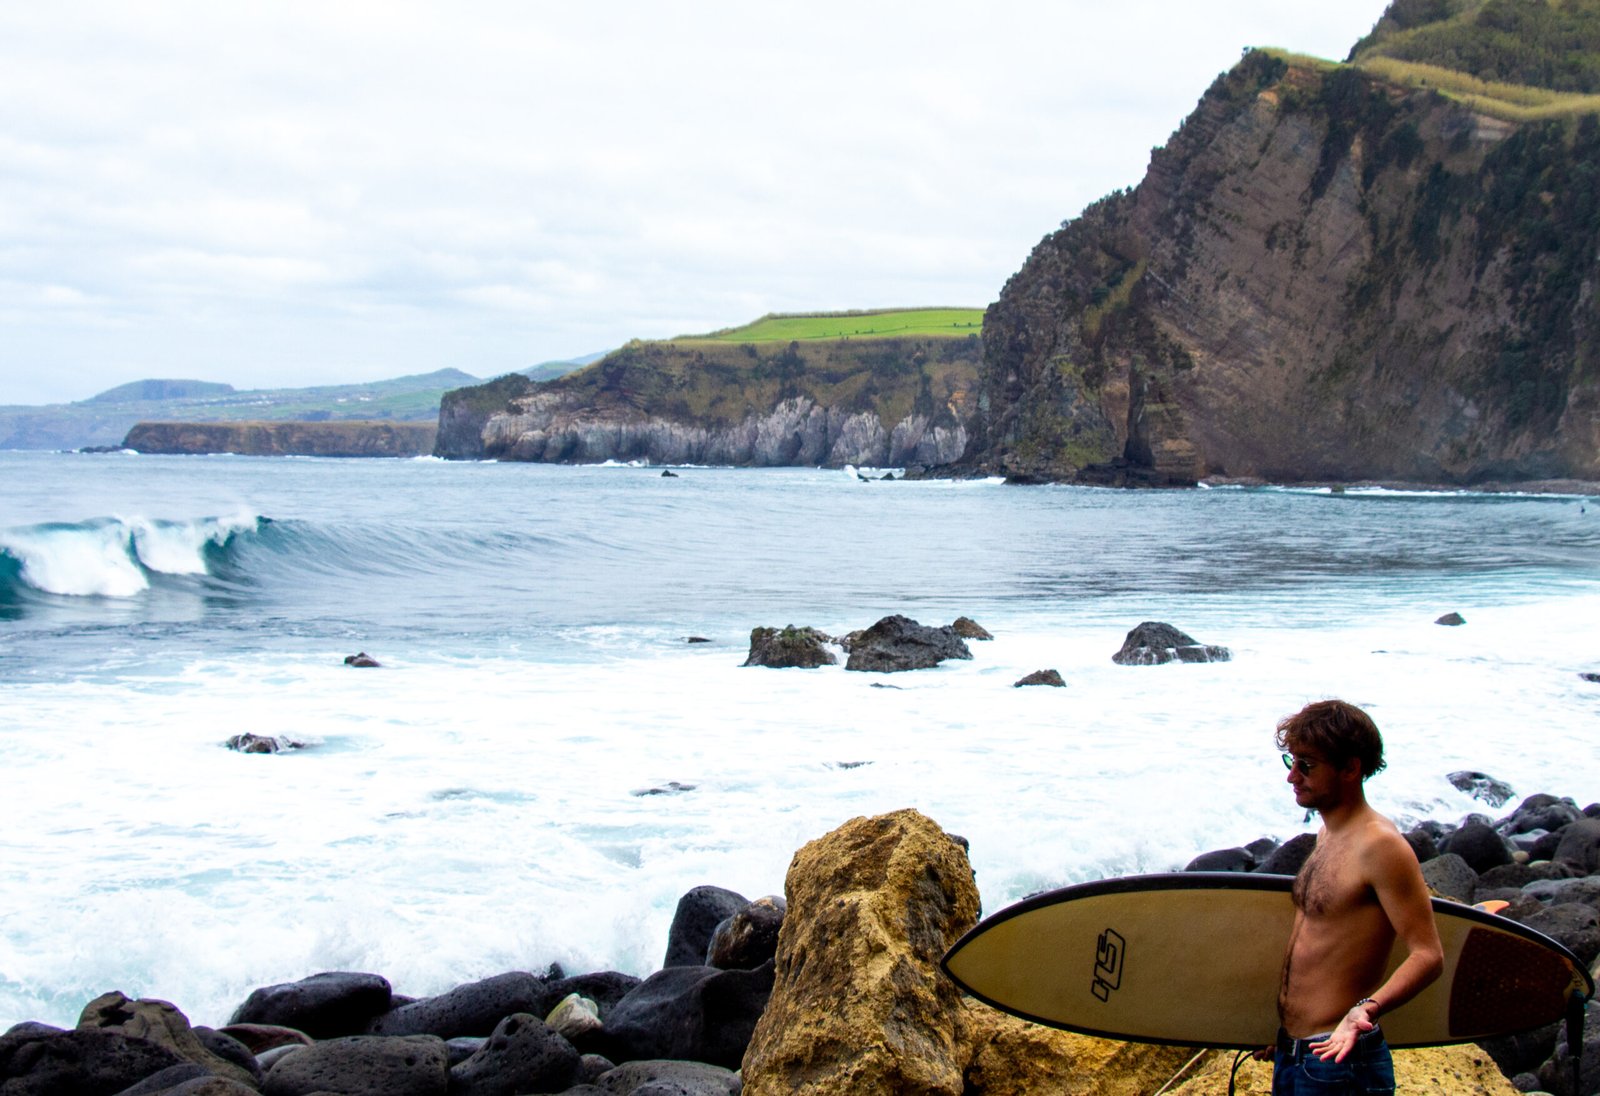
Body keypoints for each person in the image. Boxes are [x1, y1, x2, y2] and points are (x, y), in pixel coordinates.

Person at [1268, 699, 1444, 1095]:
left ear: (1351, 768)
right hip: (1295, 1054)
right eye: (1291, 762)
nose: (1292, 777)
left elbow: (1428, 955)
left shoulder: (1381, 846)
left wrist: (1365, 1010)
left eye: (1307, 765)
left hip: (1342, 1062)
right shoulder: (1326, 834)